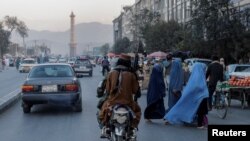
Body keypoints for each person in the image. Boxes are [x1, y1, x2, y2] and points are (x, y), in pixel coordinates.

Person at [98, 53, 141, 138]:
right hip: (128, 103)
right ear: (128, 63)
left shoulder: (111, 73)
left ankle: (105, 128)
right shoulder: (132, 74)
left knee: (101, 113)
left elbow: (108, 89)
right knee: (138, 111)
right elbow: (135, 91)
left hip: (112, 103)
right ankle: (132, 128)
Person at [164, 63, 209, 129]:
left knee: (183, 107)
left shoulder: (194, 75)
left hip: (197, 96)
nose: (204, 70)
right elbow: (198, 86)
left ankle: (170, 118)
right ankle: (200, 124)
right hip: (200, 96)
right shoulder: (199, 76)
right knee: (200, 111)